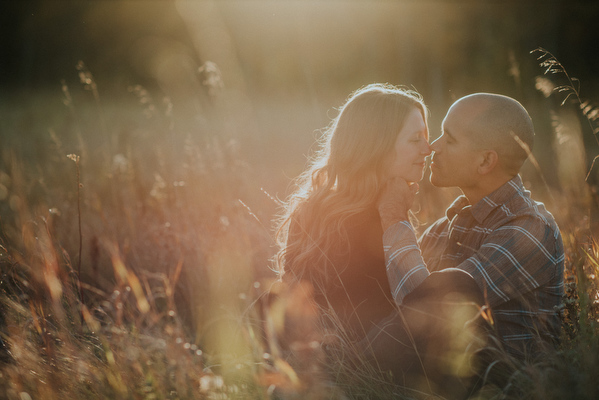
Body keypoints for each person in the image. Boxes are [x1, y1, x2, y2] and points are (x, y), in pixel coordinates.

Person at [370, 93, 565, 392]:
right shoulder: (447, 226)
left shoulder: (529, 232)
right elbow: (398, 301)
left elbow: (427, 314)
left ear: (486, 160)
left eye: (449, 139)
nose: (433, 146)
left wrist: (395, 218)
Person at [275, 83, 431, 343]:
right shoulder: (373, 220)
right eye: (416, 139)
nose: (427, 149)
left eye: (426, 137)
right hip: (368, 366)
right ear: (376, 147)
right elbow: (421, 310)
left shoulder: (318, 206)